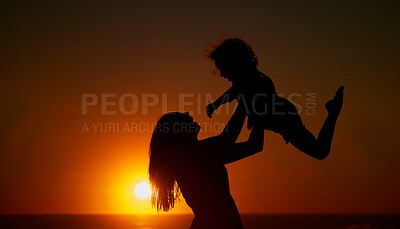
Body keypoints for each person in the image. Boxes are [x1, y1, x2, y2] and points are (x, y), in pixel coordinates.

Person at [206, 38, 343, 160]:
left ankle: (333, 112)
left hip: (283, 117)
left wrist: (215, 104)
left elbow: (235, 92)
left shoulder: (248, 78)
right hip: (282, 117)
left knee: (320, 151)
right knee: (320, 151)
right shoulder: (250, 78)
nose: (222, 74)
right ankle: (333, 112)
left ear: (233, 64)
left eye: (222, 69)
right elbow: (240, 94)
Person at [148, 102, 264, 229]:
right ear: (177, 131)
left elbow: (254, 145)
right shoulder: (186, 154)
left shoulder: (201, 155)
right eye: (181, 116)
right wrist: (245, 103)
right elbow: (227, 139)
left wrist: (259, 116)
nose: (188, 114)